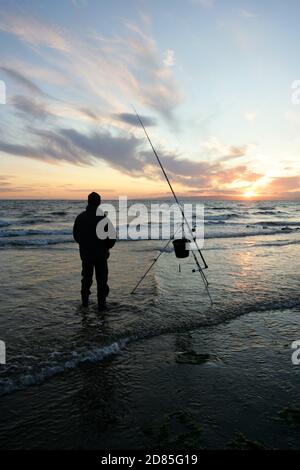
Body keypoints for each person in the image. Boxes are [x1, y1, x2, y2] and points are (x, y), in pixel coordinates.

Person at [73, 192, 116, 310]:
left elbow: (76, 237)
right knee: (102, 281)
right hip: (101, 256)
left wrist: (85, 245)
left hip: (86, 255)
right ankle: (102, 306)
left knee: (86, 279)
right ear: (99, 203)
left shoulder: (80, 218)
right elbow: (112, 238)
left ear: (88, 202)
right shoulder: (104, 219)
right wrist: (106, 247)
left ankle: (85, 304)